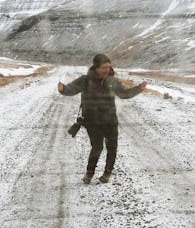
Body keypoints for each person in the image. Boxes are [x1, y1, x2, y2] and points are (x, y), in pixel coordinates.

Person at [57, 53, 147, 184]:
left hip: (110, 120)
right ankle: (89, 174)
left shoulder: (112, 81)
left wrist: (139, 88)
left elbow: (124, 94)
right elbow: (70, 90)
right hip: (92, 121)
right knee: (96, 147)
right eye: (104, 67)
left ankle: (107, 173)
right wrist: (63, 89)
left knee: (112, 147)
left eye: (109, 67)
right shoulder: (85, 80)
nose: (107, 70)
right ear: (96, 67)